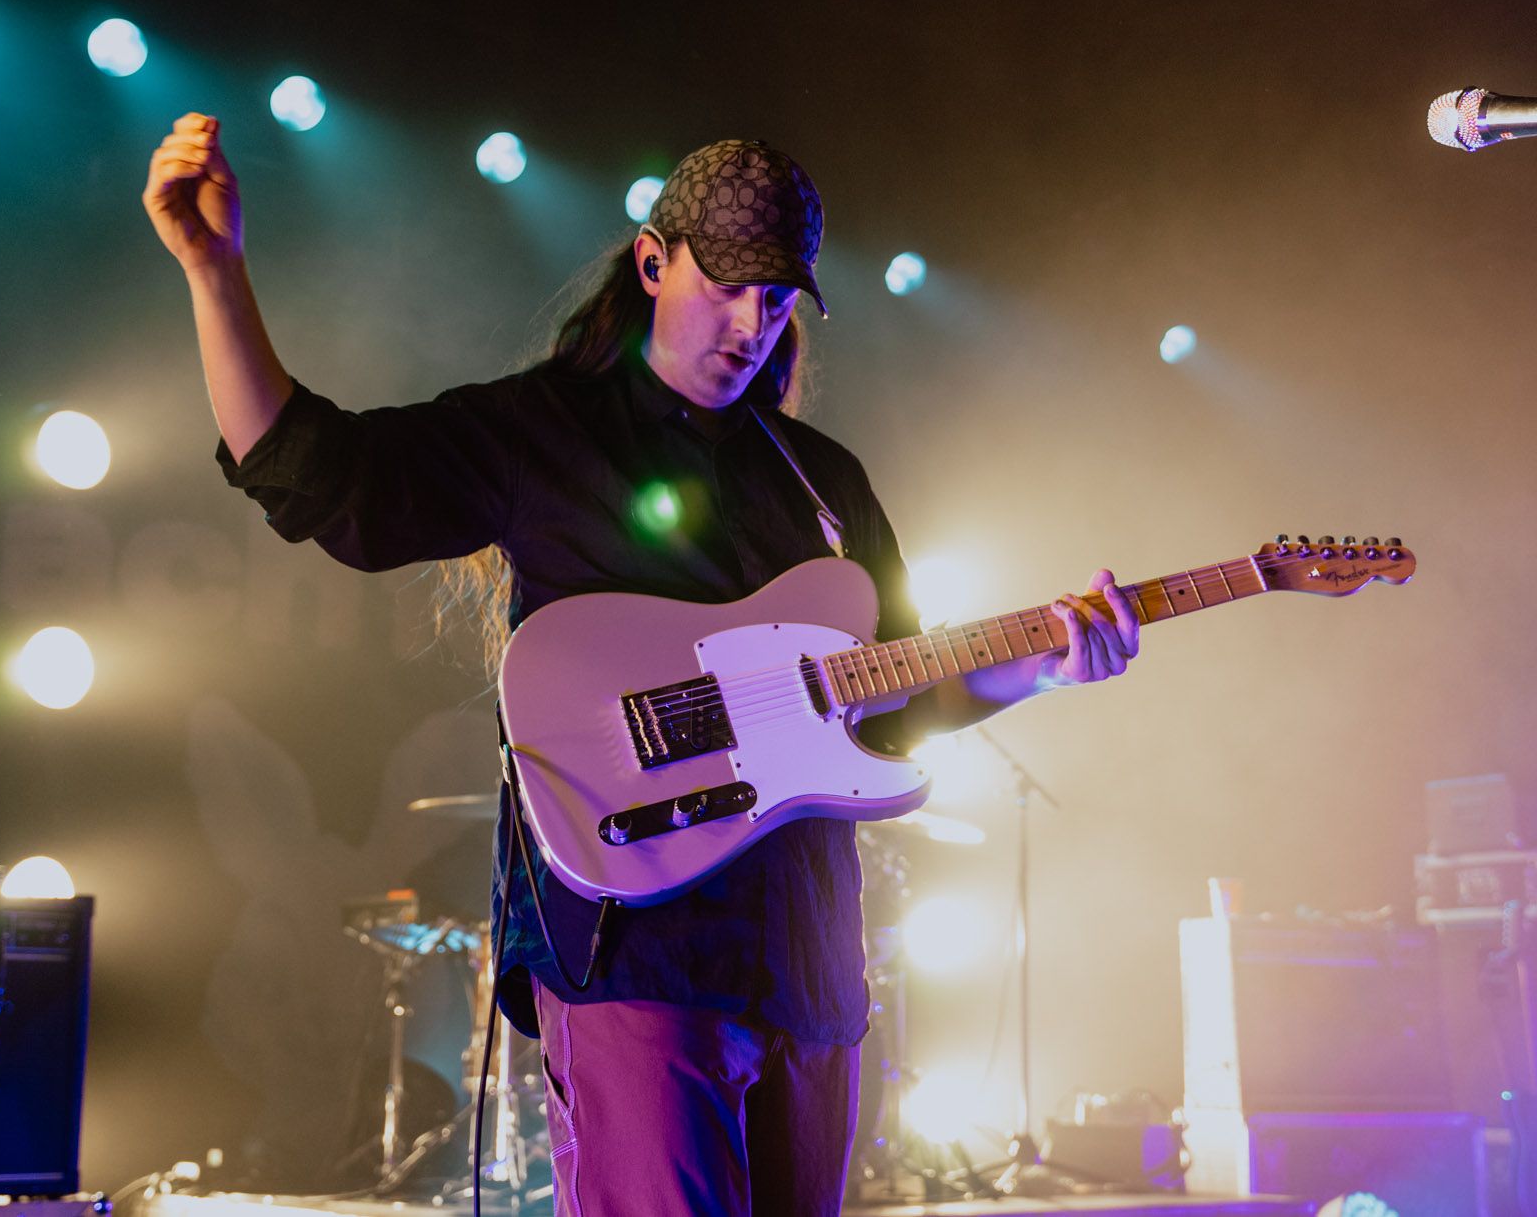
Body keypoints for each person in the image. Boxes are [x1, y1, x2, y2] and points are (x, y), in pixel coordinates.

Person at [144, 115, 1140, 1217]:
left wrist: (1046, 666)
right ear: (654, 262)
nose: (753, 323)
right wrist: (216, 273)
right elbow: (325, 479)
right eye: (729, 286)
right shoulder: (544, 431)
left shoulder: (822, 481)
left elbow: (893, 702)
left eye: (778, 298)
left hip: (804, 959)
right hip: (636, 952)